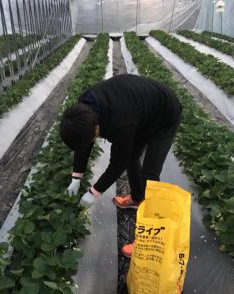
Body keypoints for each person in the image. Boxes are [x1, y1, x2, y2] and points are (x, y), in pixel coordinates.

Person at [60, 74, 182, 211]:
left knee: (150, 172)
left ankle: (152, 216)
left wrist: (94, 192)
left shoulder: (120, 123)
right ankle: (137, 199)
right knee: (132, 158)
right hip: (140, 112)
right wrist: (76, 177)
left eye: (92, 138)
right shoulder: (83, 109)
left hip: (165, 114)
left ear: (96, 127)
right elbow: (83, 143)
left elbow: (118, 164)